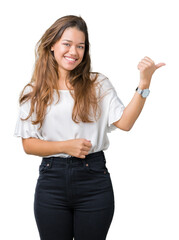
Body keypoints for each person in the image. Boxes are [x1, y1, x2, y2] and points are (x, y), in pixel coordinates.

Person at [14, 15, 165, 240]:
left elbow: (125, 123)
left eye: (80, 46)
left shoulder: (97, 84)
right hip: (51, 183)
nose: (73, 52)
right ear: (52, 45)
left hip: (93, 180)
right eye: (67, 44)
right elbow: (28, 144)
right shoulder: (34, 91)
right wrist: (66, 146)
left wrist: (144, 84)